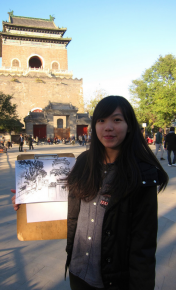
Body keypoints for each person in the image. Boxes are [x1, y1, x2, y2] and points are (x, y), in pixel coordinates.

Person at [12, 96, 168, 290]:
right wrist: (27, 199)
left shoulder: (142, 173)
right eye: (101, 120)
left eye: (117, 120)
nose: (108, 127)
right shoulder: (84, 162)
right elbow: (67, 201)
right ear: (94, 126)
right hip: (78, 272)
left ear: (130, 126)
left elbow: (143, 244)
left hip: (115, 280)